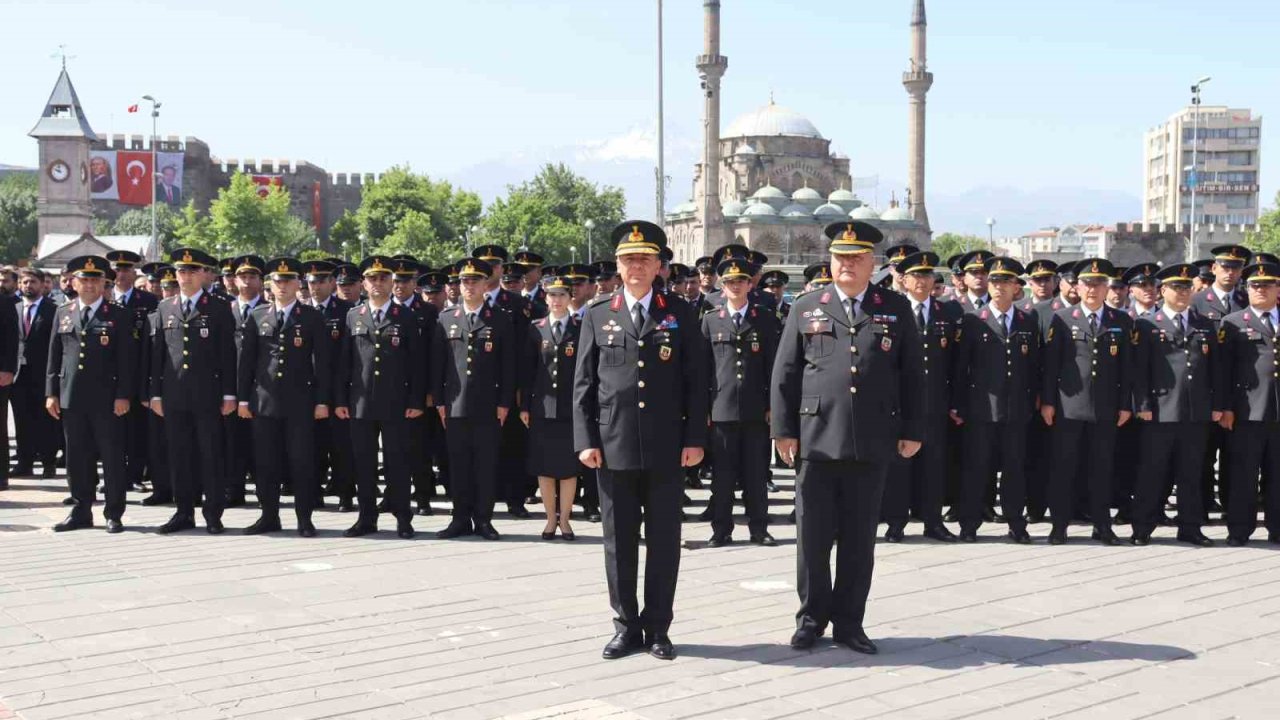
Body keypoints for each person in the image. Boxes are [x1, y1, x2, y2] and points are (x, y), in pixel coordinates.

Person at [773, 220, 924, 655]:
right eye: (841, 257)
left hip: (872, 439)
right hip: (816, 439)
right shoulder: (806, 307)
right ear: (831, 260)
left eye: (857, 258)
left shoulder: (894, 307)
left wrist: (913, 429)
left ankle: (850, 622)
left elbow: (913, 374)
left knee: (859, 539)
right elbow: (785, 374)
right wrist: (783, 431)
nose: (848, 264)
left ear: (872, 263)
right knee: (813, 539)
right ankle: (810, 619)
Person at [574, 220, 707, 661]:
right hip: (613, 445)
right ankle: (625, 625)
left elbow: (696, 383)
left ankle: (658, 627)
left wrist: (695, 439)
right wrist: (586, 440)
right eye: (629, 259)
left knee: (665, 540)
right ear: (618, 265)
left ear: (658, 266)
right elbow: (584, 387)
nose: (636, 266)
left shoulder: (681, 313)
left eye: (645, 259)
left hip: (668, 446)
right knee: (618, 540)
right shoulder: (598, 314)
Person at [1041, 258, 1133, 546]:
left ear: (1108, 287)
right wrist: (1047, 401)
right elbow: (1051, 365)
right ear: (1077, 287)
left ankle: (1102, 526)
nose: (1092, 289)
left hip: (1105, 408)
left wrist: (1125, 403)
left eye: (1098, 284)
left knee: (1102, 469)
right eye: (1087, 284)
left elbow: (1127, 368)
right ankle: (1059, 526)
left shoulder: (1121, 320)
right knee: (1064, 468)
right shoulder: (1063, 319)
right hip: (1069, 406)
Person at [237, 258, 331, 537]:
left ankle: (304, 518)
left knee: (301, 462)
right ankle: (269, 516)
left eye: (288, 280)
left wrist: (322, 400)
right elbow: (247, 362)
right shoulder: (257, 316)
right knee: (266, 463)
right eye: (277, 281)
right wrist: (243, 400)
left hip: (301, 402)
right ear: (270, 284)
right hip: (264, 402)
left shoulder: (312, 317)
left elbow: (322, 363)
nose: (282, 286)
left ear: (298, 284)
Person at [334, 256, 426, 539]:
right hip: (360, 402)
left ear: (392, 282)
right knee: (363, 463)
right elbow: (344, 363)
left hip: (396, 402)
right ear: (364, 282)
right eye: (372, 278)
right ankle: (366, 517)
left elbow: (417, 364)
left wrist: (415, 400)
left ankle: (403, 518)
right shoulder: (353, 315)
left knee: (398, 462)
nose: (377, 283)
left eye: (383, 278)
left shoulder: (406, 317)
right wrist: (340, 400)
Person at [1129, 263, 1221, 547]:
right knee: (1152, 471)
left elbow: (1215, 369)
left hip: (1195, 411)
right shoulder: (1147, 324)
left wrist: (1216, 404)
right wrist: (1142, 404)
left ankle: (1190, 527)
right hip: (1159, 410)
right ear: (1162, 291)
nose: (1182, 293)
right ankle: (1142, 527)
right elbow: (1138, 370)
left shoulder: (1204, 324)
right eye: (1175, 288)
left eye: (1186, 287)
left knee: (1191, 473)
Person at [950, 257, 1039, 543]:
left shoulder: (1027, 320)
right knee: (977, 468)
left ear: (1016, 287)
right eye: (995, 281)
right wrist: (959, 404)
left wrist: (1034, 401)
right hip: (981, 408)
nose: (999, 287)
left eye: (1006, 282)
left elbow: (1034, 366)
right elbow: (961, 368)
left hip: (1016, 409)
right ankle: (969, 524)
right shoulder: (974, 320)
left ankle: (1016, 523)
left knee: (1016, 469)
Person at [149, 248, 237, 535]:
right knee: (179, 455)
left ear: (202, 274)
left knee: (210, 455)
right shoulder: (165, 307)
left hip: (208, 394)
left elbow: (227, 355)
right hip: (174, 395)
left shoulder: (219, 307)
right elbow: (157, 356)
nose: (185, 277)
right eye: (181, 272)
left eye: (191, 271)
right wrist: (155, 394)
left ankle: (213, 514)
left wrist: (229, 394)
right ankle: (183, 512)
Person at [45, 256, 135, 532]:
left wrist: (123, 395)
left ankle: (113, 512)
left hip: (107, 399)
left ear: (104, 283)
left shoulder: (117, 313)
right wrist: (51, 392)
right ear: (73, 282)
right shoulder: (64, 312)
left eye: (95, 280)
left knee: (111, 456)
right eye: (84, 279)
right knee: (77, 457)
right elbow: (55, 355)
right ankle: (81, 509)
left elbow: (127, 360)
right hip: (72, 397)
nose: (90, 285)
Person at [431, 259, 516, 540]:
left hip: (488, 405)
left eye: (474, 281)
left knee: (485, 465)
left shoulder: (499, 318)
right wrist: (441, 402)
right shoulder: (446, 318)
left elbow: (508, 366)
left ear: (485, 284)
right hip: (454, 406)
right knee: (458, 466)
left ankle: (483, 520)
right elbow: (438, 365)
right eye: (464, 281)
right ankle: (459, 519)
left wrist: (504, 402)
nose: (468, 286)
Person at [881, 251, 960, 543]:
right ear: (904, 279)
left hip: (935, 404)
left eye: (928, 275)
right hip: (900, 404)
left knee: (933, 466)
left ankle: (933, 521)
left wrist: (954, 401)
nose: (923, 281)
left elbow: (957, 363)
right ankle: (896, 523)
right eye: (916, 275)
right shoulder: (894, 310)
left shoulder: (948, 313)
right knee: (899, 466)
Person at [701, 257, 779, 547]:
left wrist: (773, 405)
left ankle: (759, 528)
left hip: (756, 410)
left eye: (741, 281)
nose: (736, 286)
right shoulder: (710, 321)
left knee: (756, 475)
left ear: (750, 284)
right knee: (722, 477)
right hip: (721, 410)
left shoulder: (765, 318)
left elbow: (774, 366)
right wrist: (703, 409)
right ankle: (721, 530)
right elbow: (703, 370)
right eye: (730, 282)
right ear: (722, 286)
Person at [1220, 261, 1280, 547]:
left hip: (1278, 412)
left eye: (1267, 285)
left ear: (1277, 289)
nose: (1261, 289)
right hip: (1247, 410)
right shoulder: (1233, 322)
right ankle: (1239, 529)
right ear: (1247, 288)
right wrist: (1226, 407)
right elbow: (1223, 370)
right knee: (1243, 473)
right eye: (1255, 285)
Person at [524, 274, 581, 540]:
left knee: (568, 468)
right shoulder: (535, 328)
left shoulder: (580, 328)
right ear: (545, 298)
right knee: (545, 467)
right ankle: (549, 520)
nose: (557, 300)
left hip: (571, 409)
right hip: (542, 408)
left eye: (562, 295)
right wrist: (524, 406)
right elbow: (527, 371)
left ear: (570, 298)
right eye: (552, 295)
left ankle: (566, 520)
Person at [106, 251, 159, 493]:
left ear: (134, 272)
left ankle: (135, 475)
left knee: (137, 428)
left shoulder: (147, 300)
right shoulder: (104, 298)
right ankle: (114, 478)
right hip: (109, 373)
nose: (121, 273)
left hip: (138, 370)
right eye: (117, 268)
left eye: (126, 269)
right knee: (112, 430)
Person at [225, 256, 267, 506]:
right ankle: (234, 489)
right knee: (232, 440)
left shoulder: (269, 309)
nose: (247, 281)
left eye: (252, 276)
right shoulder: (225, 310)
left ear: (261, 281)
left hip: (261, 386)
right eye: (242, 276)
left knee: (261, 444)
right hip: (231, 385)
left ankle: (264, 493)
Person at [11, 268, 57, 479]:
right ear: (20, 285)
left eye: (33, 282)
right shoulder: (14, 308)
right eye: (25, 282)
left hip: (43, 374)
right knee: (22, 420)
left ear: (41, 284)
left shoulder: (53, 310)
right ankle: (24, 462)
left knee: (45, 421)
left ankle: (48, 463)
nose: (28, 286)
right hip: (19, 374)